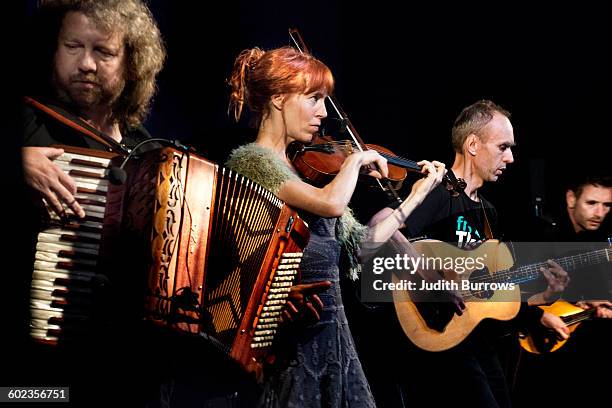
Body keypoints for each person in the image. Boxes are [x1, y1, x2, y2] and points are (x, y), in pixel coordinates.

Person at [223, 46, 446, 407]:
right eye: (313, 99)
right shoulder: (253, 162)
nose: (323, 113)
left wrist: (416, 196)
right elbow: (331, 203)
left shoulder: (300, 172)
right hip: (290, 346)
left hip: (333, 334)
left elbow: (364, 243)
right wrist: (355, 161)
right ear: (278, 98)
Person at [365, 100, 570, 408]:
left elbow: (492, 290)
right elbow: (380, 223)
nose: (511, 158)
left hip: (475, 339)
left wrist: (546, 295)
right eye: (503, 147)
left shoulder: (489, 213)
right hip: (437, 338)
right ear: (473, 144)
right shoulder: (439, 191)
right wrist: (434, 280)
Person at [20, 1, 165, 406]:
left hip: (120, 368)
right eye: (73, 46)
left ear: (131, 63)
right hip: (34, 366)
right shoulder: (25, 121)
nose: (86, 63)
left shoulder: (146, 150)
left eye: (103, 52)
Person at [512, 175, 612, 407]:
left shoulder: (591, 240)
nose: (599, 213)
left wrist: (592, 303)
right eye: (591, 203)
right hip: (529, 342)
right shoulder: (541, 233)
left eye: (606, 205)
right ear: (570, 198)